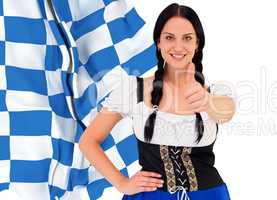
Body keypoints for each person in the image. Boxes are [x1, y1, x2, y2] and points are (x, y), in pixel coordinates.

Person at [79, 3, 235, 200]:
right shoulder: (133, 90)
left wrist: (207, 101)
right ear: (158, 42)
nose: (178, 47)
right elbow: (88, 142)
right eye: (169, 38)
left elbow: (227, 112)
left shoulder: (215, 92)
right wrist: (122, 183)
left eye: (187, 38)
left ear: (197, 44)